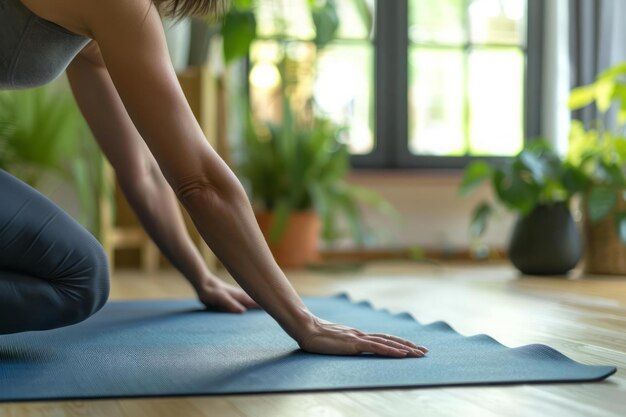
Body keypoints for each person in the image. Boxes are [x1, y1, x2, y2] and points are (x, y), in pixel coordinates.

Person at [0, 0, 428, 358]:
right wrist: (305, 323)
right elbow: (200, 181)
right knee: (80, 277)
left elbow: (143, 170)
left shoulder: (96, 29)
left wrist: (200, 276)